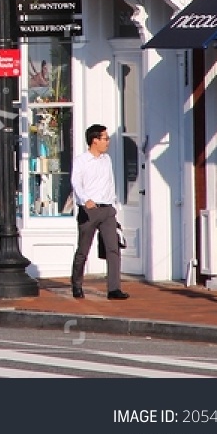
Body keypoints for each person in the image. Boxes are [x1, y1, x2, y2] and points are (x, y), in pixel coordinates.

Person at [71, 123, 129, 301]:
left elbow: (110, 184)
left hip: (107, 210)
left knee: (113, 249)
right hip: (89, 210)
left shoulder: (107, 160)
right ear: (94, 140)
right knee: (83, 250)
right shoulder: (81, 160)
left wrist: (113, 206)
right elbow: (76, 182)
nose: (107, 142)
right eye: (105, 138)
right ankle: (77, 284)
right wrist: (84, 199)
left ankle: (114, 289)